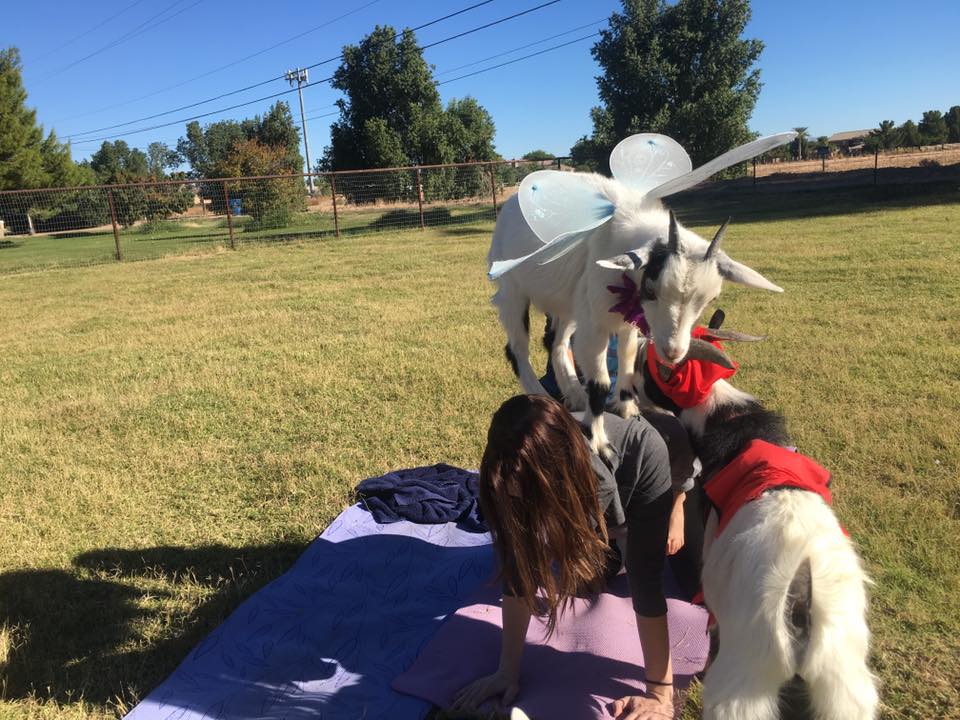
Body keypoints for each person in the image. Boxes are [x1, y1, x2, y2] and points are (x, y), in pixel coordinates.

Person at [451, 394, 687, 719]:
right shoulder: (508, 470)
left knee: (657, 568)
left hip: (654, 473)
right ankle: (600, 541)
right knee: (590, 577)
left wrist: (660, 694)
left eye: (529, 492)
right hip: (588, 502)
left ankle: (681, 501)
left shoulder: (644, 452)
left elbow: (645, 581)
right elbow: (519, 567)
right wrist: (506, 672)